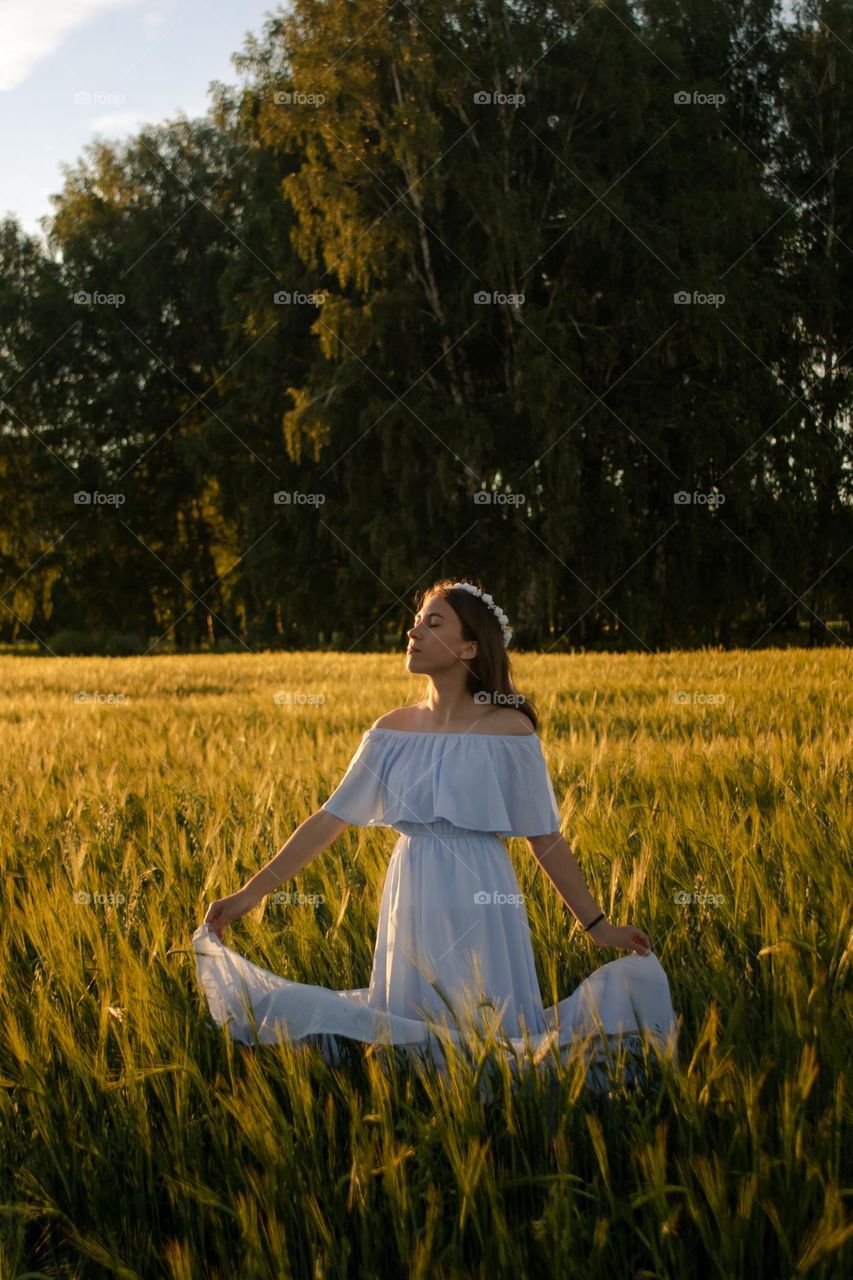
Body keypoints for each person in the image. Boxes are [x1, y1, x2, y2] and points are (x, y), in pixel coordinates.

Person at [192, 578, 678, 1088]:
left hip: (484, 894)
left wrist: (597, 924)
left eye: (433, 621)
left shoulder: (510, 729)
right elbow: (327, 821)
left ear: (470, 646)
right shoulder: (392, 730)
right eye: (416, 620)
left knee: (489, 1033)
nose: (413, 630)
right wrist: (249, 896)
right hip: (412, 888)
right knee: (413, 1042)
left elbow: (545, 837)